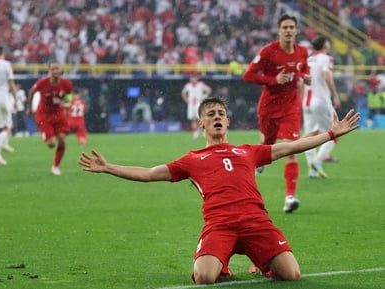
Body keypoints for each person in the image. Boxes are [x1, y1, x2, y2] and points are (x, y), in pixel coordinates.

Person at [78, 97, 360, 285]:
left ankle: (260, 262)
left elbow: (291, 146)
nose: (216, 117)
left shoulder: (247, 151)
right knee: (204, 277)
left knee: (292, 275)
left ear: (228, 122)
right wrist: (109, 167)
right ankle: (221, 262)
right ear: (200, 123)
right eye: (210, 114)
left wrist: (331, 134)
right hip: (220, 225)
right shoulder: (191, 159)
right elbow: (150, 174)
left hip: (256, 222)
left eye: (221, 114)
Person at [242, 14, 311, 213]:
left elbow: (302, 69)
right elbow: (248, 75)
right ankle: (259, 162)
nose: (289, 30)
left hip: (291, 106)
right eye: (285, 27)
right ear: (279, 30)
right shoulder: (268, 51)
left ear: (296, 30)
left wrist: (304, 77)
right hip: (269, 107)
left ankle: (290, 198)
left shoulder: (303, 52)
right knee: (268, 147)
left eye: (292, 27)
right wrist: (273, 80)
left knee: (291, 149)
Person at [302, 36, 341, 178]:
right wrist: (335, 95)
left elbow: (301, 82)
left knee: (309, 136)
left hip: (307, 102)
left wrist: (301, 100)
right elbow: (326, 76)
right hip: (321, 101)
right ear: (325, 44)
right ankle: (318, 161)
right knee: (336, 132)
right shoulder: (326, 58)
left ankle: (312, 171)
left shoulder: (308, 60)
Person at [26, 60, 73, 175]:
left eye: (57, 68)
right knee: (51, 144)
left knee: (62, 140)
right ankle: (43, 133)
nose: (55, 71)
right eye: (53, 69)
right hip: (44, 115)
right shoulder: (42, 83)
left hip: (58, 115)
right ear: (49, 71)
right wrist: (30, 109)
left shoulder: (67, 84)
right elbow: (31, 92)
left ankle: (55, 166)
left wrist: (65, 104)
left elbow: (69, 101)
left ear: (61, 70)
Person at [181, 75, 212, 139]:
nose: (192, 79)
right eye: (191, 78)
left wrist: (204, 97)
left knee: (200, 118)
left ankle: (204, 132)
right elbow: (183, 93)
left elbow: (208, 90)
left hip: (198, 103)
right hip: (191, 104)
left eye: (193, 77)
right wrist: (186, 99)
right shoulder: (188, 85)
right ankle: (195, 133)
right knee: (193, 119)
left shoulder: (201, 84)